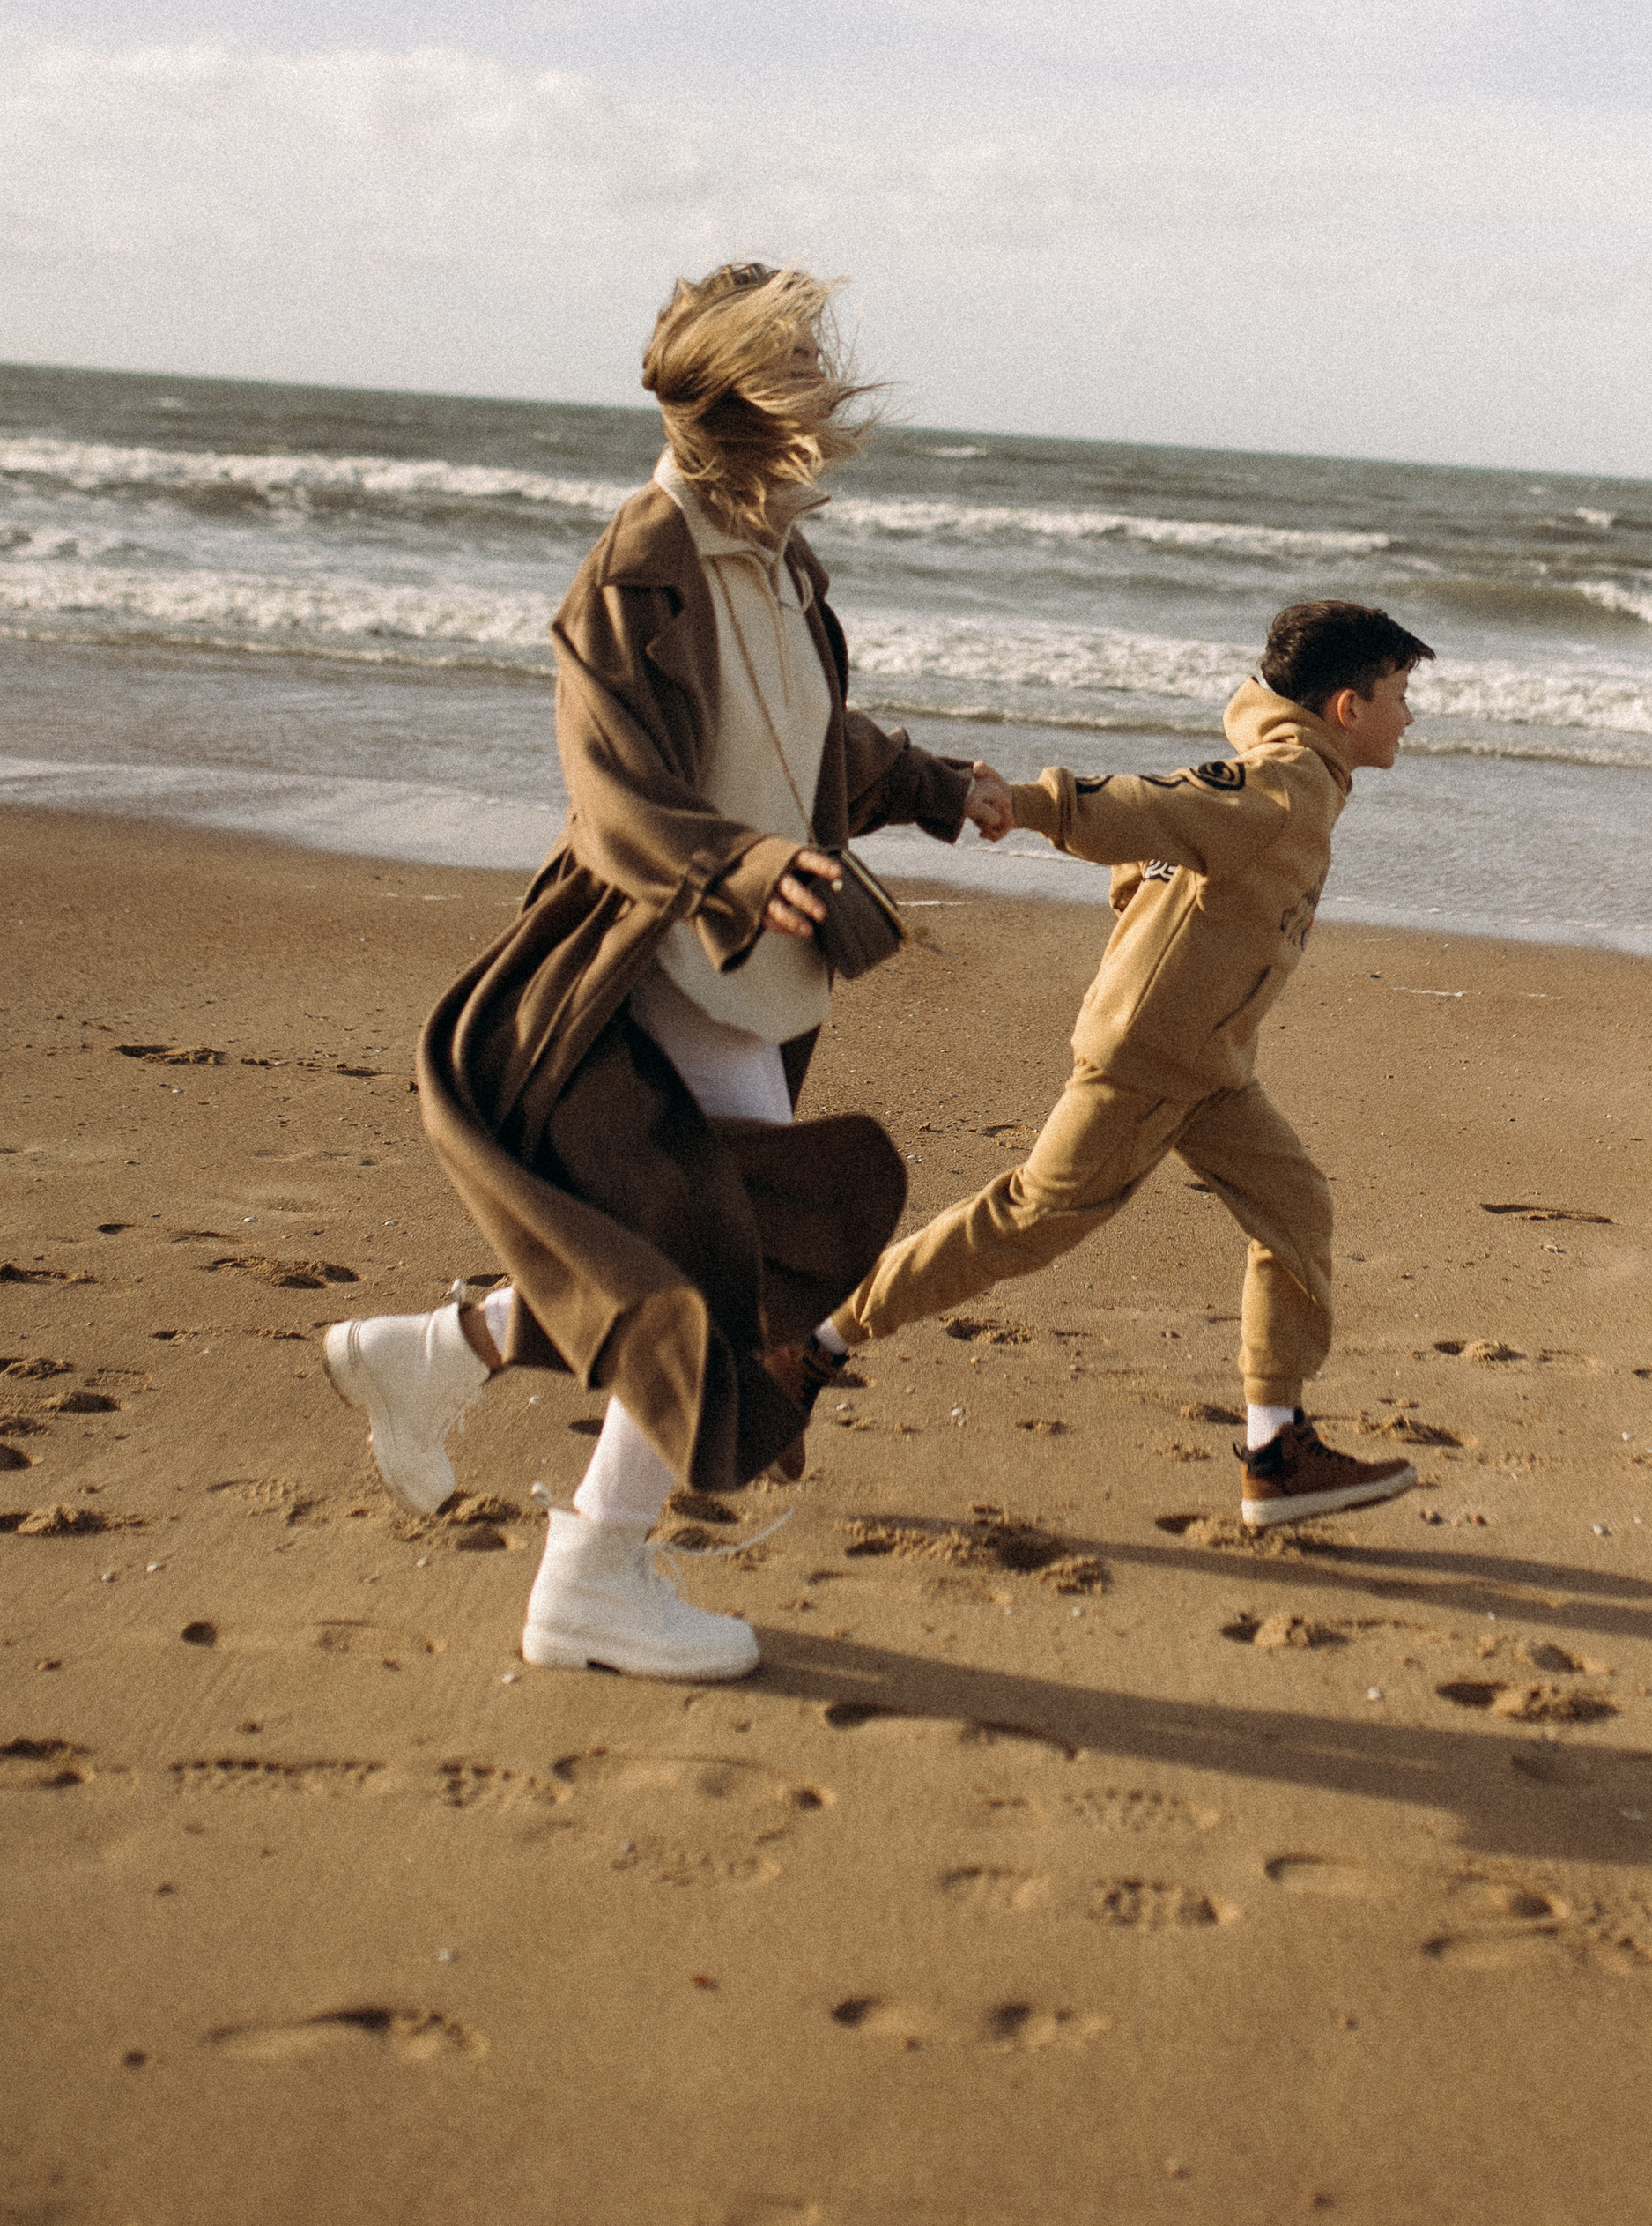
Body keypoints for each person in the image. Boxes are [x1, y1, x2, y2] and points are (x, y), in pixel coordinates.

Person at [322, 260, 1011, 1681]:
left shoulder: (773, 564)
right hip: (648, 952)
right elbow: (613, 784)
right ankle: (591, 1572)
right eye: (797, 367)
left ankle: (442, 1353)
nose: (821, 388)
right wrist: (744, 870)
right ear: (742, 398)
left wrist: (945, 787)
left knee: (711, 1238)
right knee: (747, 1257)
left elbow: (809, 741)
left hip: (737, 962)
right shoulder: (640, 564)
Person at [792, 598, 1435, 1526]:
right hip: (1153, 1060)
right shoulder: (1285, 782)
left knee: (1295, 1207)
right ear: (1346, 707)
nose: (1408, 716)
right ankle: (806, 1347)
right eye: (1400, 694)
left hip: (1206, 1062)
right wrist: (1036, 802)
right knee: (1025, 1221)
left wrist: (1154, 906)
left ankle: (1274, 1453)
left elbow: (1160, 856)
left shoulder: (1296, 780)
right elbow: (1152, 807)